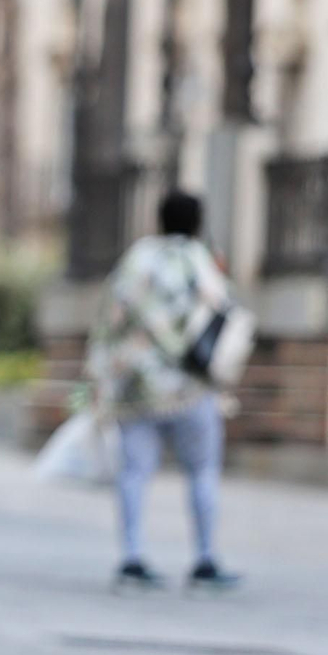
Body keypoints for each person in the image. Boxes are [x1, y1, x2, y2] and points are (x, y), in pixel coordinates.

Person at [87, 190, 242, 594]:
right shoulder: (203, 262)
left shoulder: (137, 260)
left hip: (138, 387)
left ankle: (132, 557)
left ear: (159, 219)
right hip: (192, 388)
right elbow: (222, 317)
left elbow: (109, 319)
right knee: (203, 471)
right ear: (197, 221)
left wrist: (100, 379)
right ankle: (205, 558)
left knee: (135, 473)